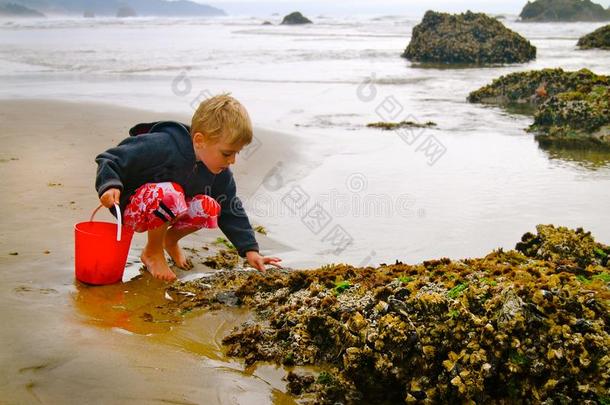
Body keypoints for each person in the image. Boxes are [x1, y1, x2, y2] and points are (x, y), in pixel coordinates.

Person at [95, 94, 281, 281]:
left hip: (171, 208)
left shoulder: (219, 172)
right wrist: (110, 185)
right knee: (171, 193)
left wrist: (250, 250)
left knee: (211, 206)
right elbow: (111, 158)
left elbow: (231, 207)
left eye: (236, 153)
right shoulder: (163, 144)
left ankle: (170, 240)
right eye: (227, 153)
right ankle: (152, 251)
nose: (232, 160)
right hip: (134, 209)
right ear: (199, 140)